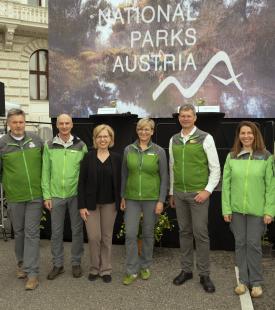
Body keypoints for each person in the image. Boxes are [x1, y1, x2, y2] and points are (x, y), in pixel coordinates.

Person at [169, 104, 220, 293]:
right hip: (180, 194)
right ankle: (186, 270)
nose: (185, 119)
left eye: (189, 116)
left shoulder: (205, 138)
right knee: (184, 233)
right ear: (179, 118)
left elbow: (215, 168)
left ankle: (204, 274)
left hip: (198, 195)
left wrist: (207, 191)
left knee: (201, 234)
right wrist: (172, 192)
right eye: (182, 116)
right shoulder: (173, 139)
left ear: (195, 118)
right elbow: (172, 166)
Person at [222, 121, 274, 298]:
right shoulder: (232, 156)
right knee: (240, 244)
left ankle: (257, 282)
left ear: (255, 135)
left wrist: (269, 211)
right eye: (242, 133)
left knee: (253, 245)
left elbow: (271, 186)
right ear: (239, 136)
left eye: (249, 133)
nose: (246, 136)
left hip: (257, 211)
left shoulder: (266, 156)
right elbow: (226, 185)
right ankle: (243, 281)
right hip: (236, 211)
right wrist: (226, 209)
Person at [120, 118, 168, 285]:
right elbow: (124, 175)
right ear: (137, 131)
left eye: (147, 129)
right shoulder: (128, 150)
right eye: (141, 129)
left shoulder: (159, 151)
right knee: (131, 234)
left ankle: (145, 266)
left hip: (151, 199)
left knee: (148, 234)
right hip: (132, 198)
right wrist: (122, 196)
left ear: (152, 131)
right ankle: (131, 270)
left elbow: (164, 178)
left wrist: (161, 200)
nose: (144, 132)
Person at [0, 108, 43, 290]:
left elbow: (46, 164)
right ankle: (21, 263)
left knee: (32, 233)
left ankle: (32, 273)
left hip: (35, 196)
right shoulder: (2, 144)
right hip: (15, 197)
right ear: (8, 124)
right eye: (15, 122)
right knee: (18, 232)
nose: (18, 125)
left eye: (21, 122)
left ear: (25, 122)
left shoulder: (36, 140)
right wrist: (8, 188)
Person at [41, 113, 87, 280]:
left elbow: (85, 173)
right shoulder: (48, 145)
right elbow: (45, 172)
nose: (64, 126)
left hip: (75, 195)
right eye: (61, 123)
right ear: (57, 125)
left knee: (77, 231)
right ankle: (58, 264)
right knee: (56, 232)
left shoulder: (81, 145)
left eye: (67, 123)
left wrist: (84, 197)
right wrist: (47, 196)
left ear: (72, 124)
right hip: (55, 196)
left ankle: (76, 263)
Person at [78, 124, 121, 283]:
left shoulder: (117, 158)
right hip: (91, 205)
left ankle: (106, 269)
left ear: (111, 139)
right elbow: (81, 183)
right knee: (94, 237)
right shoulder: (88, 157)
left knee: (106, 237)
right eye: (99, 136)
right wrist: (81, 206)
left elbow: (121, 182)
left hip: (110, 204)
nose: (103, 139)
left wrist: (122, 199)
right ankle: (94, 268)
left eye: (106, 136)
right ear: (95, 139)